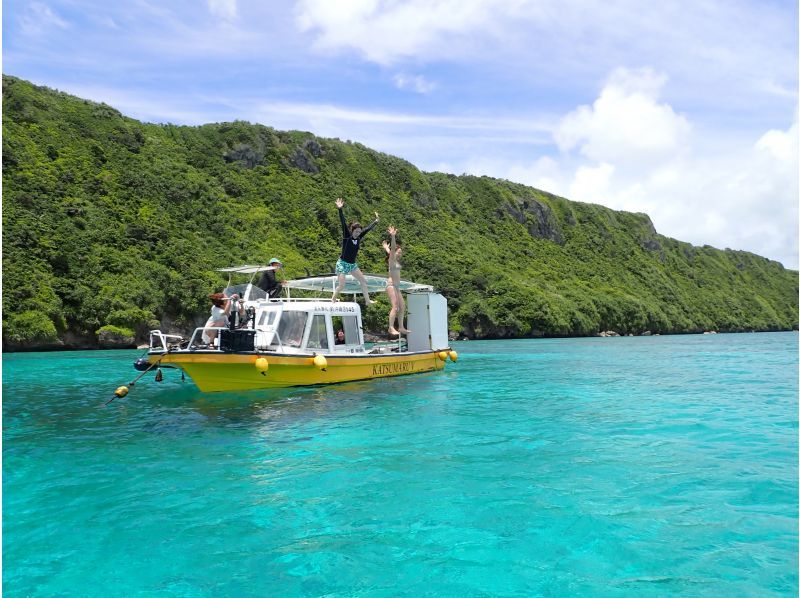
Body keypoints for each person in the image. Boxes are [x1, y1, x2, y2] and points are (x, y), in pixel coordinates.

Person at [332, 197, 379, 304]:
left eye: (359, 232)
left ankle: (367, 301)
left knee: (363, 281)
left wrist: (375, 221)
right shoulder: (347, 236)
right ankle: (333, 298)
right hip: (342, 264)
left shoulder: (358, 237)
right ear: (352, 230)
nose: (358, 233)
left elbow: (367, 229)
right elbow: (343, 222)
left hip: (352, 265)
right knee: (342, 285)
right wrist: (340, 209)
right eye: (356, 231)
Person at [382, 225, 410, 336]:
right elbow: (392, 249)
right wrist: (393, 237)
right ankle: (391, 327)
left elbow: (390, 251)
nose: (400, 253)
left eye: (401, 252)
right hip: (391, 285)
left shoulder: (395, 261)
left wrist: (385, 248)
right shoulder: (392, 260)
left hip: (397, 287)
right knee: (395, 307)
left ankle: (401, 327)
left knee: (402, 306)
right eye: (399, 251)